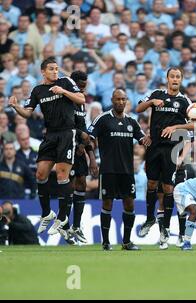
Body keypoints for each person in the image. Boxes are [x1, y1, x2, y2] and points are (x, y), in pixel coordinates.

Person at [8, 57, 85, 237]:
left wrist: (64, 91)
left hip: (67, 133)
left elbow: (81, 99)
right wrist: (15, 106)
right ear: (43, 71)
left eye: (57, 68)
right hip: (50, 134)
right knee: (40, 174)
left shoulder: (65, 82)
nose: (55, 72)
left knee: (61, 175)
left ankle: (63, 216)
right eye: (51, 69)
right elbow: (27, 112)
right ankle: (46, 213)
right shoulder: (38, 90)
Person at [135, 67, 195, 249]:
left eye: (178, 77)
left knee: (168, 187)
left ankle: (166, 229)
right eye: (172, 76)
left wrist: (175, 128)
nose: (175, 79)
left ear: (181, 80)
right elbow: (138, 108)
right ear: (167, 79)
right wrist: (152, 101)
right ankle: (149, 218)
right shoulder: (156, 94)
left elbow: (194, 125)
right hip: (153, 147)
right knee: (151, 184)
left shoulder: (184, 101)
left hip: (171, 149)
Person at [88, 89, 150, 251]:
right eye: (118, 99)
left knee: (129, 204)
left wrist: (151, 138)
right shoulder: (103, 119)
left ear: (127, 100)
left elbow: (143, 140)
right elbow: (89, 139)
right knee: (107, 203)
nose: (121, 102)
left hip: (127, 171)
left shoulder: (132, 122)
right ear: (112, 99)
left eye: (123, 99)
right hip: (108, 169)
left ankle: (127, 242)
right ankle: (106, 242)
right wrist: (92, 161)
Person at [66, 71, 99, 244]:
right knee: (67, 186)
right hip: (65, 148)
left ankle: (76, 227)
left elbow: (83, 128)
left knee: (82, 183)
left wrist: (91, 157)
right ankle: (64, 224)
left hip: (79, 149)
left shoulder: (81, 104)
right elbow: (64, 126)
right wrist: (80, 139)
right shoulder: (66, 101)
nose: (82, 89)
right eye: (79, 86)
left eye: (84, 86)